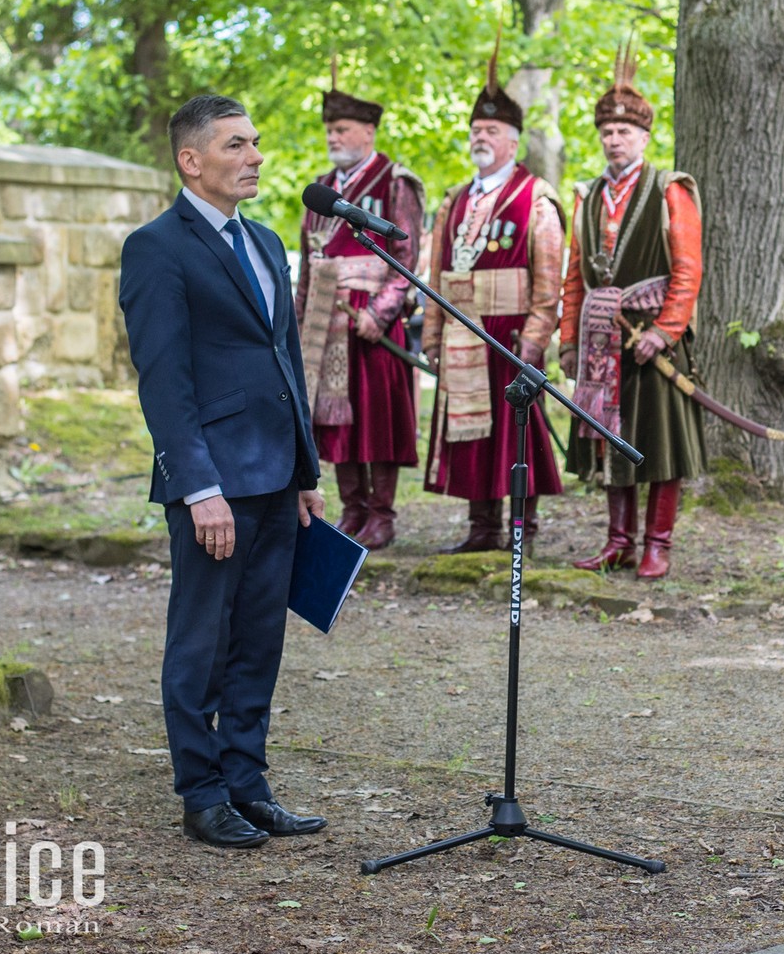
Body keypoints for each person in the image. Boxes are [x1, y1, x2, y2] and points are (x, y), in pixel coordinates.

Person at [118, 92, 329, 851]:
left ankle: (248, 782)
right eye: (236, 145)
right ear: (191, 159)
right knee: (201, 642)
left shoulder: (269, 241)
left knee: (259, 640)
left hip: (276, 477)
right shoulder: (156, 248)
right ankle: (201, 793)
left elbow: (285, 358)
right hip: (213, 482)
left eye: (256, 143)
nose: (255, 157)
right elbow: (163, 379)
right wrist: (197, 486)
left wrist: (305, 467)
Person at [560, 48, 705, 580]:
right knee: (608, 440)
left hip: (652, 341)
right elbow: (575, 275)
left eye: (624, 132)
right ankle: (618, 542)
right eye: (607, 132)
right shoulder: (588, 196)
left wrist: (666, 332)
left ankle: (657, 545)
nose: (613, 140)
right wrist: (569, 341)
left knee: (660, 445)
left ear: (644, 138)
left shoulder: (670, 189)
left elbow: (688, 269)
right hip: (601, 341)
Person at [423, 48, 565, 553]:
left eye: (491, 132)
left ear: (512, 140)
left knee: (515, 433)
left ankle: (521, 528)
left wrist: (534, 339)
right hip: (463, 332)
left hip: (509, 334)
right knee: (471, 435)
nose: (480, 139)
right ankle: (481, 529)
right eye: (475, 132)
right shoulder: (455, 200)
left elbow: (549, 280)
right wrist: (433, 334)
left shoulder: (536, 198)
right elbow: (437, 269)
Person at [294, 80, 425, 552]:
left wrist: (382, 312)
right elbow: (310, 261)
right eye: (329, 129)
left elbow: (407, 256)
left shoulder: (395, 182)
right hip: (324, 327)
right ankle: (352, 509)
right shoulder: (321, 190)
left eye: (342, 128)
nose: (333, 137)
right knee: (335, 422)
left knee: (378, 419)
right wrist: (297, 321)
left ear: (368, 132)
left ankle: (382, 514)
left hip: (371, 326)